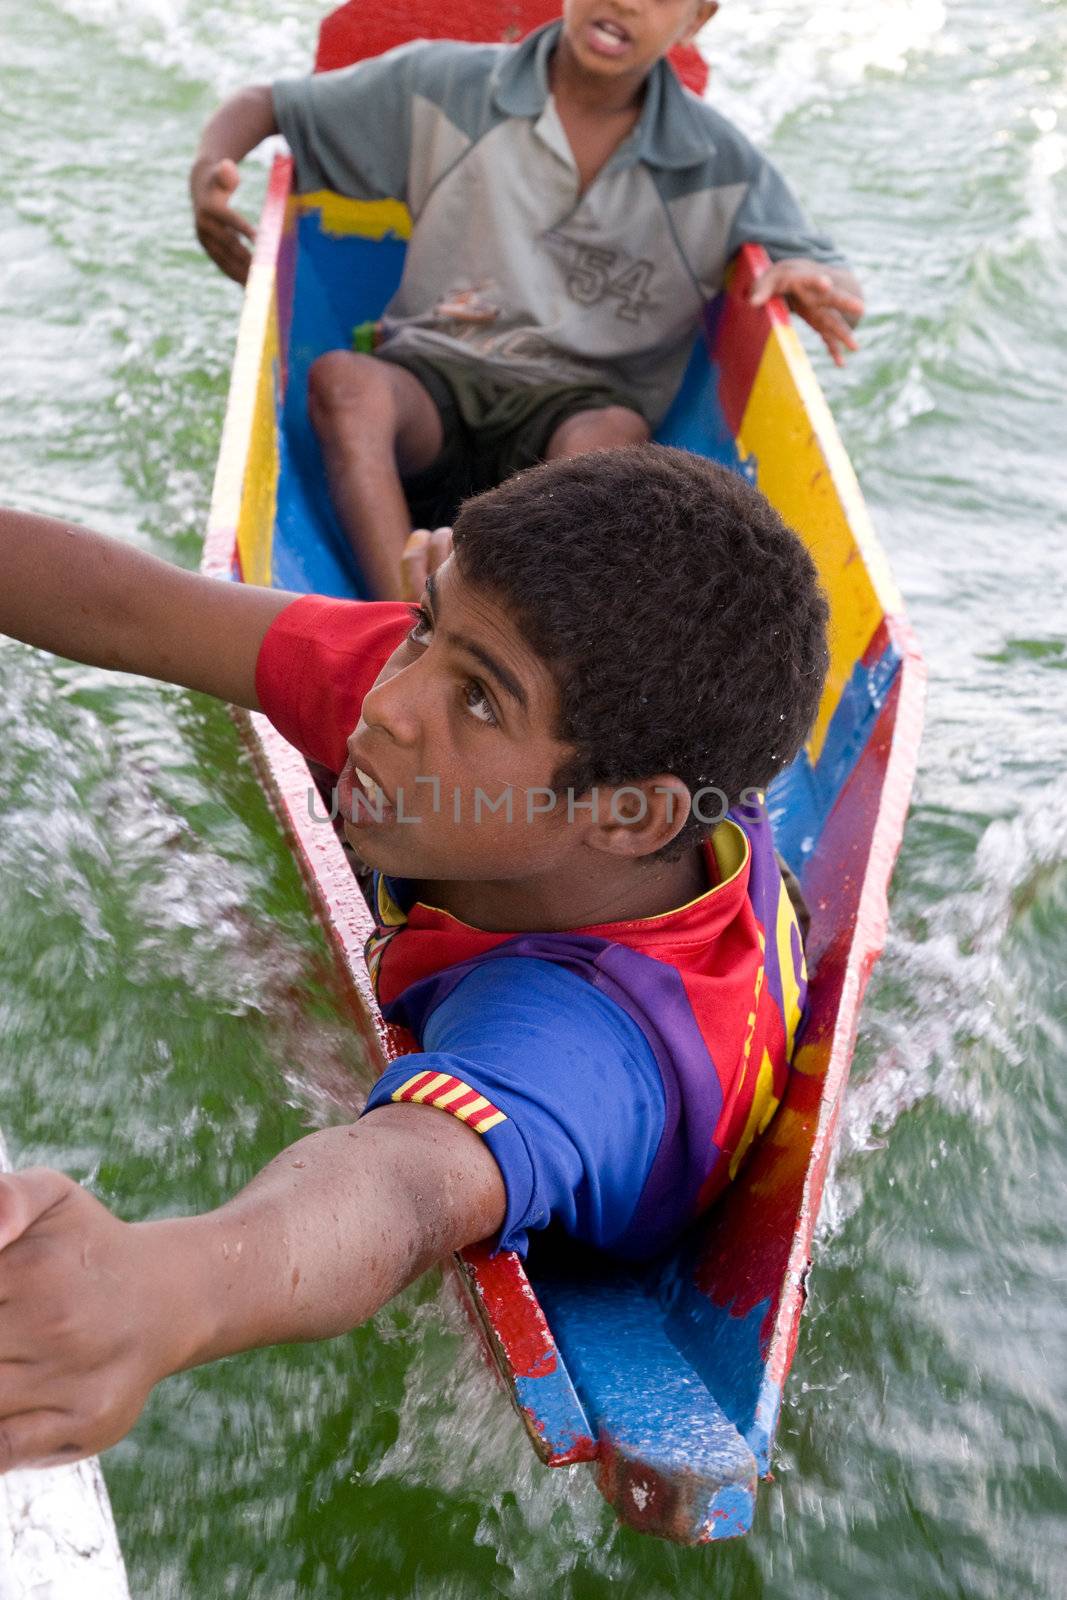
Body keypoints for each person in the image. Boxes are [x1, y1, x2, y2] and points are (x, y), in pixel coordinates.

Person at [0, 445, 827, 1472]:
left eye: (477, 697)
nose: (389, 704)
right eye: (425, 624)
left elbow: (402, 1187)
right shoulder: (427, 700)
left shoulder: (591, 1037)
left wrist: (161, 1291)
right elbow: (130, 607)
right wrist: (453, 660)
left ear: (627, 815)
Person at [190, 0, 864, 598]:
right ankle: (401, 620)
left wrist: (811, 280)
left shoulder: (716, 162)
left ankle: (482, 604)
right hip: (433, 381)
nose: (626, 4)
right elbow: (267, 104)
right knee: (344, 382)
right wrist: (210, 176)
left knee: (614, 442)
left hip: (575, 420)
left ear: (697, 19)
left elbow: (827, 270)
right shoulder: (448, 84)